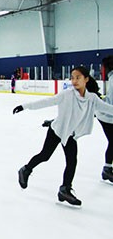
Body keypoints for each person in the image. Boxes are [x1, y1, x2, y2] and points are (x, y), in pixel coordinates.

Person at [13, 66, 113, 207]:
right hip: (58, 130)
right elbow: (47, 102)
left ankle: (65, 190)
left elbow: (107, 108)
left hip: (71, 134)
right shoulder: (67, 94)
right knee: (45, 155)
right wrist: (25, 106)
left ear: (86, 79)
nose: (74, 81)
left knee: (72, 161)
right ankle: (25, 169)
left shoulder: (92, 98)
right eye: (72, 77)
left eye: (78, 77)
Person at [96, 55, 113, 183]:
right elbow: (110, 102)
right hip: (107, 116)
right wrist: (100, 98)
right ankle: (107, 170)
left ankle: (107, 169)